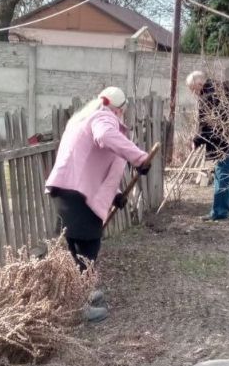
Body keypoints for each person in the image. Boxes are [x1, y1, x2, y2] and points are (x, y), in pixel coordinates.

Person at [46, 86, 154, 322]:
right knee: (87, 249)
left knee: (77, 249)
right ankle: (79, 307)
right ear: (119, 109)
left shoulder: (82, 119)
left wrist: (115, 194)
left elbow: (90, 164)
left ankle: (80, 294)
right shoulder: (103, 117)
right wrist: (139, 158)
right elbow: (105, 137)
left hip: (66, 191)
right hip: (78, 194)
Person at [186, 70, 229, 222]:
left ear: (199, 84)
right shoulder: (227, 86)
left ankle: (219, 212)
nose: (195, 94)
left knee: (223, 176)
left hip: (222, 144)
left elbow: (205, 126)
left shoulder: (206, 98)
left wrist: (196, 141)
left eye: (194, 90)